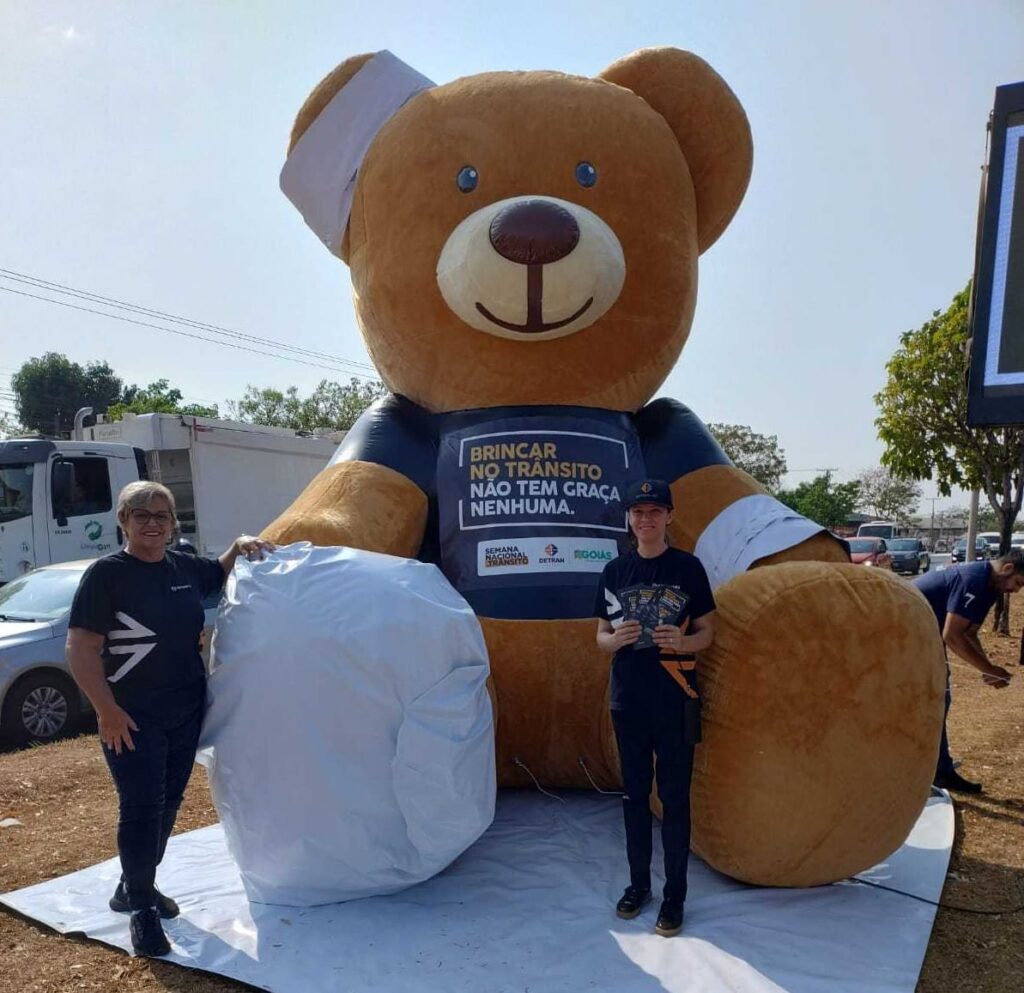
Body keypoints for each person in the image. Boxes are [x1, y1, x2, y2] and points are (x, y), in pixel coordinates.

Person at [66, 481, 274, 957]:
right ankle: (141, 909)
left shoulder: (182, 566)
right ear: (124, 521)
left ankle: (133, 885)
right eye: (141, 515)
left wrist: (239, 546)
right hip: (131, 718)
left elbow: (219, 571)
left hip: (184, 710)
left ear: (173, 522)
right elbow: (81, 647)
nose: (153, 523)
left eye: (161, 515)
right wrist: (107, 710)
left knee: (168, 804)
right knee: (141, 809)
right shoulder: (107, 575)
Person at [595, 478, 715, 937]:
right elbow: (600, 635)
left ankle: (675, 897)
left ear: (668, 517)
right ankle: (639, 885)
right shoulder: (614, 573)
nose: (645, 520)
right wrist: (615, 640)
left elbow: (708, 631)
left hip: (674, 699)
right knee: (633, 798)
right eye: (638, 512)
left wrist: (686, 641)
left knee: (676, 799)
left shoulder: (688, 568)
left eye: (654, 511)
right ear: (629, 519)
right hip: (627, 701)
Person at [913, 548, 1023, 794]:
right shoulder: (973, 580)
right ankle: (935, 771)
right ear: (1007, 569)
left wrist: (988, 670)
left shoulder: (990, 586)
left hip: (925, 634)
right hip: (907, 630)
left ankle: (940, 770)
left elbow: (969, 633)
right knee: (935, 699)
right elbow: (951, 635)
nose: (1015, 591)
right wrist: (988, 668)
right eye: (1017, 583)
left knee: (940, 699)